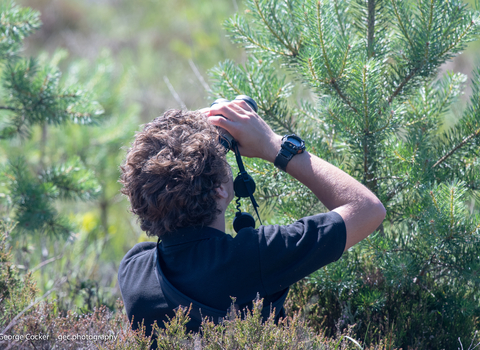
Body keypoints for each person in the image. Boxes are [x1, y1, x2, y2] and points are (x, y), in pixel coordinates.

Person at [118, 100, 386, 337]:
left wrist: (183, 134)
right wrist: (273, 144)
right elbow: (367, 208)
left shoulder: (134, 271)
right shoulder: (254, 258)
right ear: (220, 190)